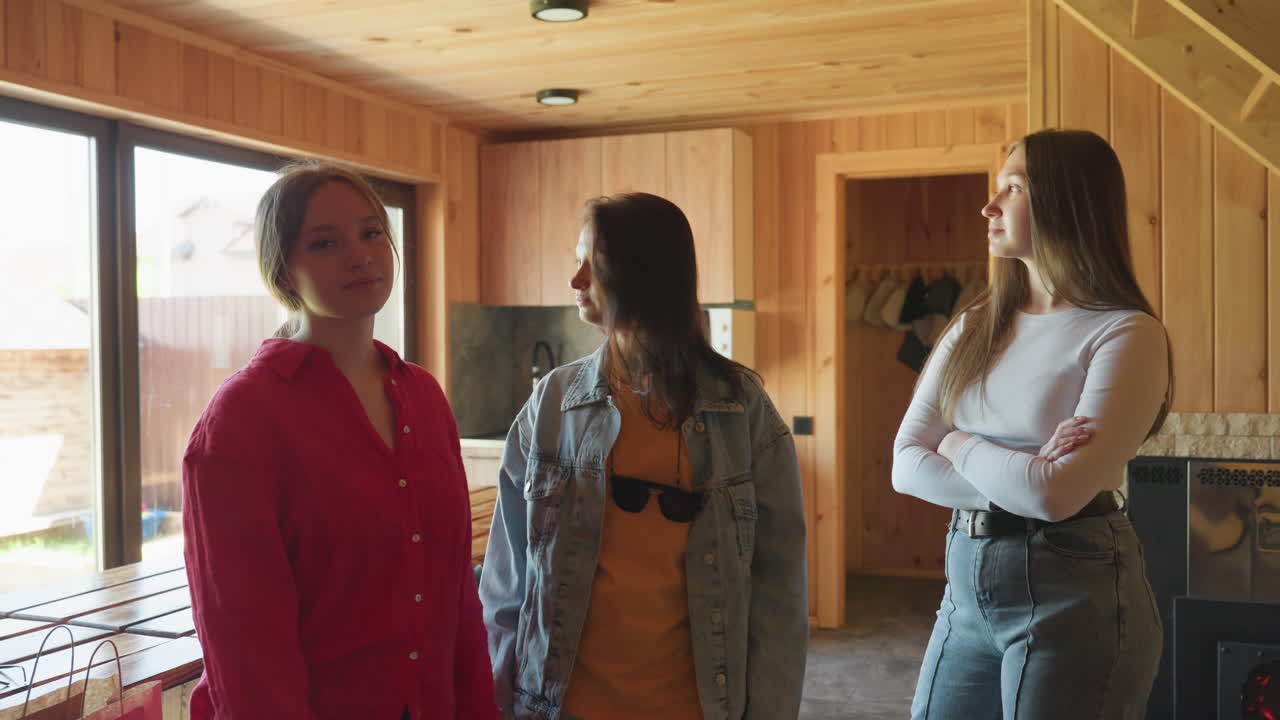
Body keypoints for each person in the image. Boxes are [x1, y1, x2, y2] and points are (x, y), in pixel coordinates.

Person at [182, 160, 496, 720]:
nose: (360, 254)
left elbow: (455, 601)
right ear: (283, 276)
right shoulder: (244, 418)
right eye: (325, 243)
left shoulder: (422, 396)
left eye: (371, 233)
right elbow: (243, 640)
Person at [478, 193, 808, 720]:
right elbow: (505, 583)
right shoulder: (553, 404)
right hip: (560, 704)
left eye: (594, 262)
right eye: (576, 260)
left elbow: (780, 595)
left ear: (647, 273)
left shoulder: (740, 409)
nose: (576, 280)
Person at [892, 128, 1172, 719]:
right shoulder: (973, 327)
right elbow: (904, 466)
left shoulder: (1125, 333)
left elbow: (1055, 494)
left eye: (1013, 188)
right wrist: (1025, 469)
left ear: (1069, 202)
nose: (989, 207)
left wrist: (957, 440)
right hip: (966, 587)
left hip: (1075, 589)